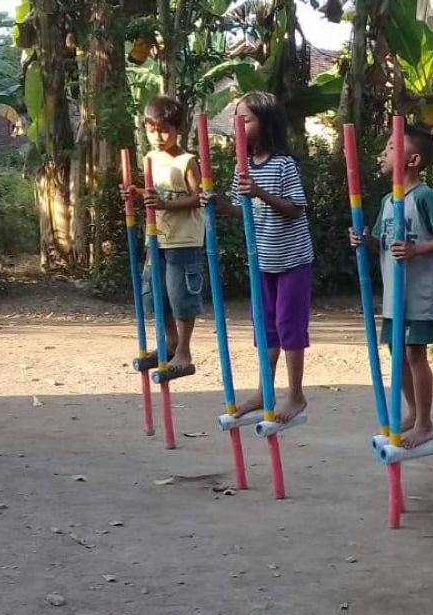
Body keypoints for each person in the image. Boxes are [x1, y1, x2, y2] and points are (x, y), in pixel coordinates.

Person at [348, 124, 433, 448]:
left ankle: (425, 423)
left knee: (414, 354)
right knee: (398, 354)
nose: (383, 153)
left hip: (419, 294)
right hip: (394, 295)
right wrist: (365, 240)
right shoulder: (388, 200)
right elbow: (387, 245)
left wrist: (416, 250)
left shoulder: (424, 196)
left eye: (390, 148)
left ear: (412, 160)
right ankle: (413, 413)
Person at [205, 93, 314, 423]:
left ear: (266, 125)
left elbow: (296, 207)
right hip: (262, 260)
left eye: (246, 120)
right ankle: (264, 388)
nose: (238, 126)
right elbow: (245, 212)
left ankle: (295, 394)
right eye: (236, 120)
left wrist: (260, 192)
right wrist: (221, 205)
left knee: (288, 326)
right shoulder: (243, 167)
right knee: (265, 327)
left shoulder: (283, 164)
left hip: (293, 260)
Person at [120, 95, 204, 373]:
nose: (158, 136)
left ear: (179, 128)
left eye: (164, 129)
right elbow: (154, 195)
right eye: (152, 130)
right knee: (153, 295)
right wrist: (137, 192)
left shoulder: (187, 162)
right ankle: (170, 342)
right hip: (156, 237)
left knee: (180, 296)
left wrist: (165, 204)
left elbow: (197, 198)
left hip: (184, 238)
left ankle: (183, 351)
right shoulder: (150, 158)